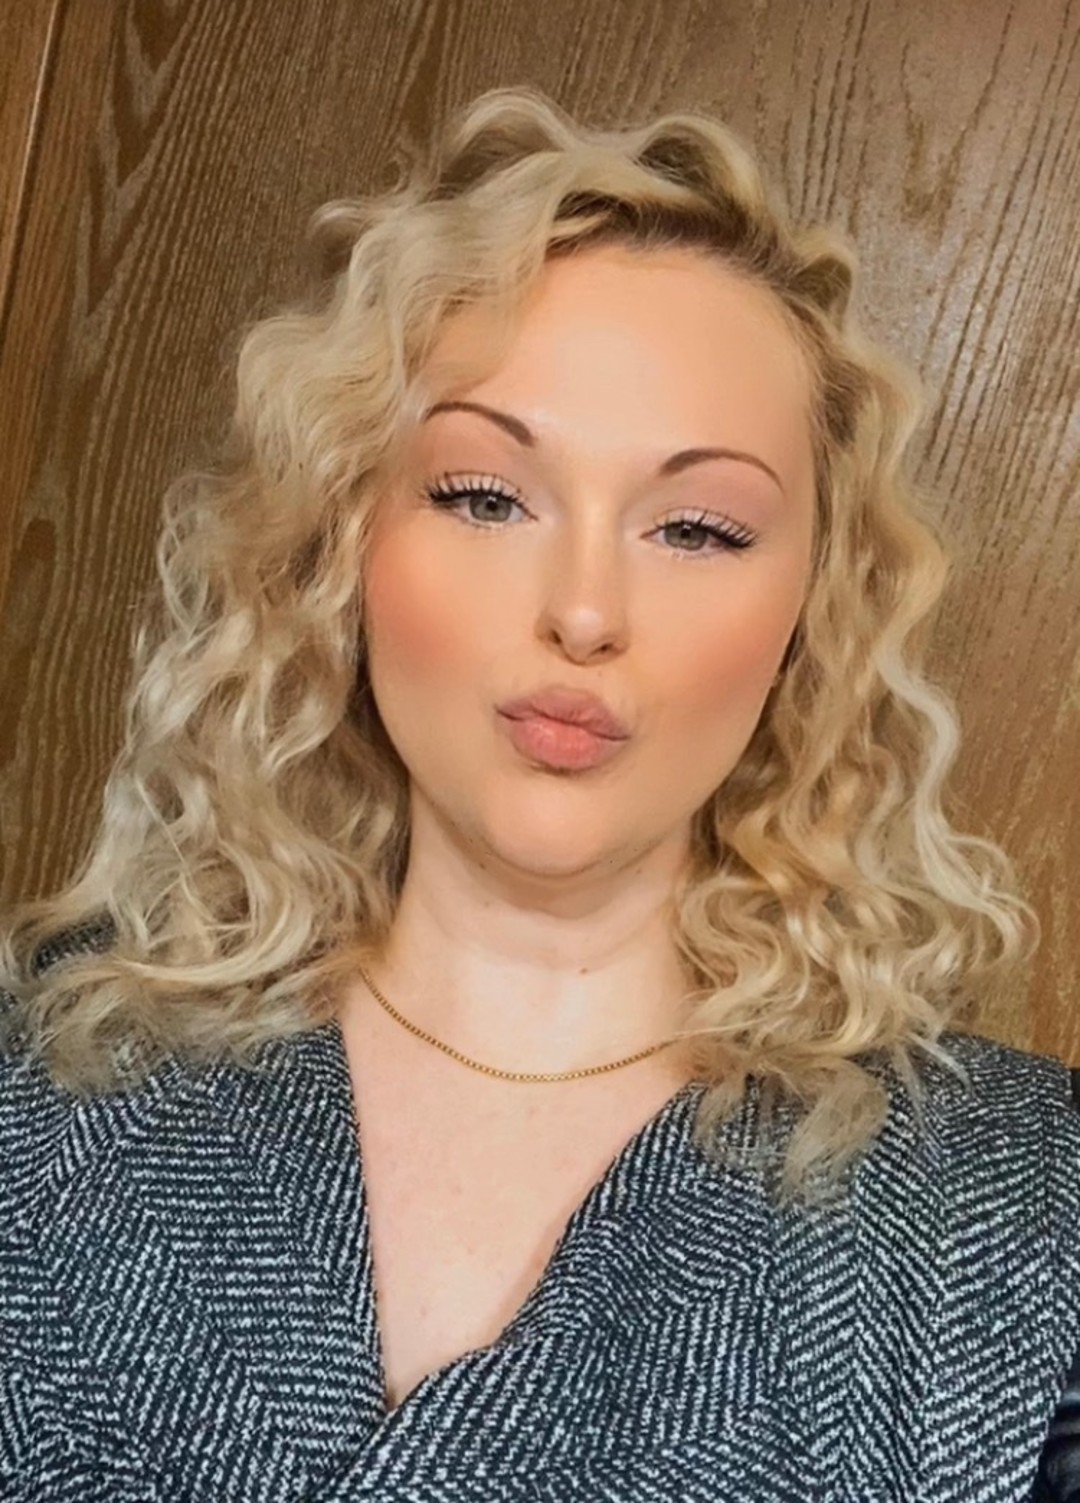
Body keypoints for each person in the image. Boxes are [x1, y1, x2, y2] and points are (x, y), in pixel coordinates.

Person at [1, 84, 1077, 1501]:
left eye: (698, 527)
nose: (583, 611)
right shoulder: (42, 1074)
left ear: (812, 613)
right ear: (340, 547)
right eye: (484, 496)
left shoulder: (1026, 1212)